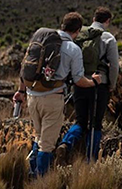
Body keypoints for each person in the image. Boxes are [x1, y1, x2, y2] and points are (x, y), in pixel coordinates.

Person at [13, 12, 101, 176]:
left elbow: (24, 68)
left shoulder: (42, 41)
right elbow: (78, 80)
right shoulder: (73, 49)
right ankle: (41, 183)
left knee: (39, 137)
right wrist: (93, 82)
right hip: (53, 98)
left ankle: (32, 173)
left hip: (32, 96)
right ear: (77, 30)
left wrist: (20, 91)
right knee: (47, 144)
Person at [56, 6, 119, 163]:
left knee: (80, 120)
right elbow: (114, 65)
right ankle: (90, 159)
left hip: (79, 82)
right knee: (96, 124)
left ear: (93, 19)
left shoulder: (80, 34)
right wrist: (111, 84)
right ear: (107, 21)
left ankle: (66, 143)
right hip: (99, 84)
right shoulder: (108, 38)